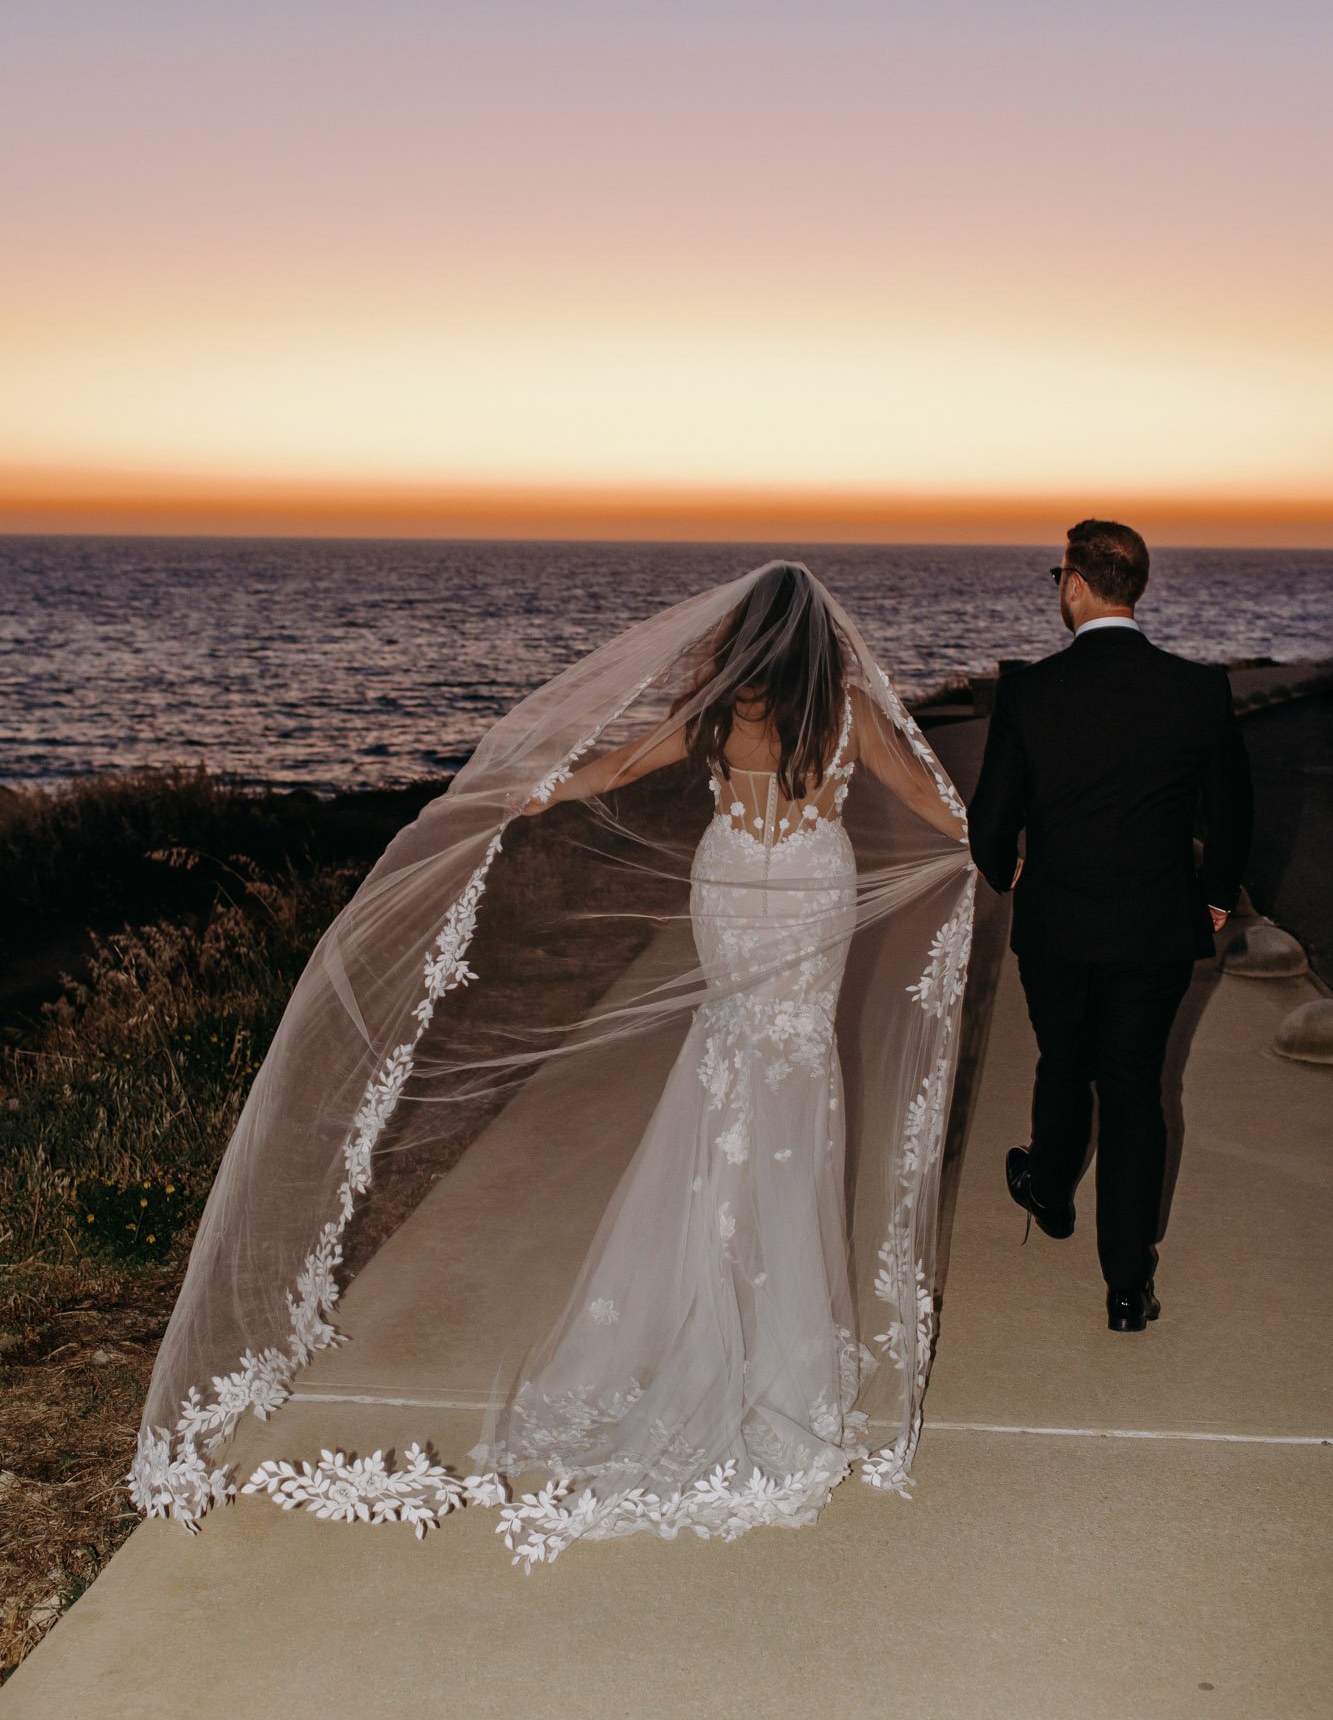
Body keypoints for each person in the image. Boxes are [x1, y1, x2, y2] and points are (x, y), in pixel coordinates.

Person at [130, 561, 979, 1568]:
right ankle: (766, 1306)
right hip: (808, 889)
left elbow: (611, 768)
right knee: (796, 1071)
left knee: (727, 1059)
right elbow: (933, 804)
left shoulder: (713, 708)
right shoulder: (843, 713)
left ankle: (721, 1294)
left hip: (729, 889)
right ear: (820, 640)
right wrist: (997, 844)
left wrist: (510, 798)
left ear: (747, 634)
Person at [967, 519, 1254, 1331]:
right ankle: (1126, 1287)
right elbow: (1232, 821)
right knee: (1133, 1088)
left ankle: (1050, 1191)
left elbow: (989, 824)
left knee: (1064, 1061)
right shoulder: (1198, 689)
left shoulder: (1027, 690)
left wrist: (1007, 874)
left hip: (1057, 923)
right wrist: (1212, 906)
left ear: (1076, 585)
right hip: (1156, 929)